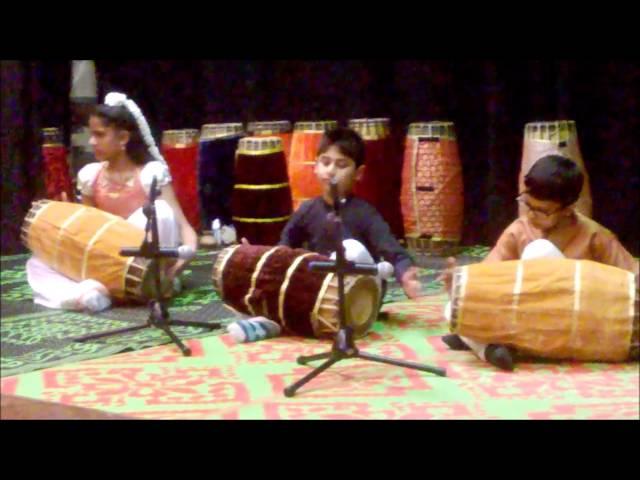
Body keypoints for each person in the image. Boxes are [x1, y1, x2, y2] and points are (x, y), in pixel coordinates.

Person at [441, 154, 639, 370]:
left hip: (576, 329)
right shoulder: (518, 230)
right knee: (452, 308)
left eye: (541, 211)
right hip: (526, 323)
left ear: (567, 209)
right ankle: (488, 350)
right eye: (527, 205)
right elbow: (486, 280)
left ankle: (482, 343)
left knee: (540, 251)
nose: (531, 215)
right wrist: (458, 286)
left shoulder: (595, 236)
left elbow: (632, 280)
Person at [228, 127, 421, 342]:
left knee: (351, 250)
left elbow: (395, 253)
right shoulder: (307, 210)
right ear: (316, 167)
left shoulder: (365, 213)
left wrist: (406, 276)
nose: (331, 171)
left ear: (359, 173)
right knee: (276, 276)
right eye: (325, 162)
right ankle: (269, 322)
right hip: (318, 292)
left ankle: (277, 322)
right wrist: (255, 257)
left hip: (361, 294)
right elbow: (283, 251)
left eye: (341, 165)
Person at [26, 92, 197, 312]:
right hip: (104, 260)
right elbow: (84, 233)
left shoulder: (150, 174)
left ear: (123, 138)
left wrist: (177, 266)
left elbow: (184, 228)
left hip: (142, 260)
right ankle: (94, 292)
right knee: (38, 261)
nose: (91, 141)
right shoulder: (90, 175)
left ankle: (143, 283)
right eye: (91, 134)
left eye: (99, 135)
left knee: (160, 212)